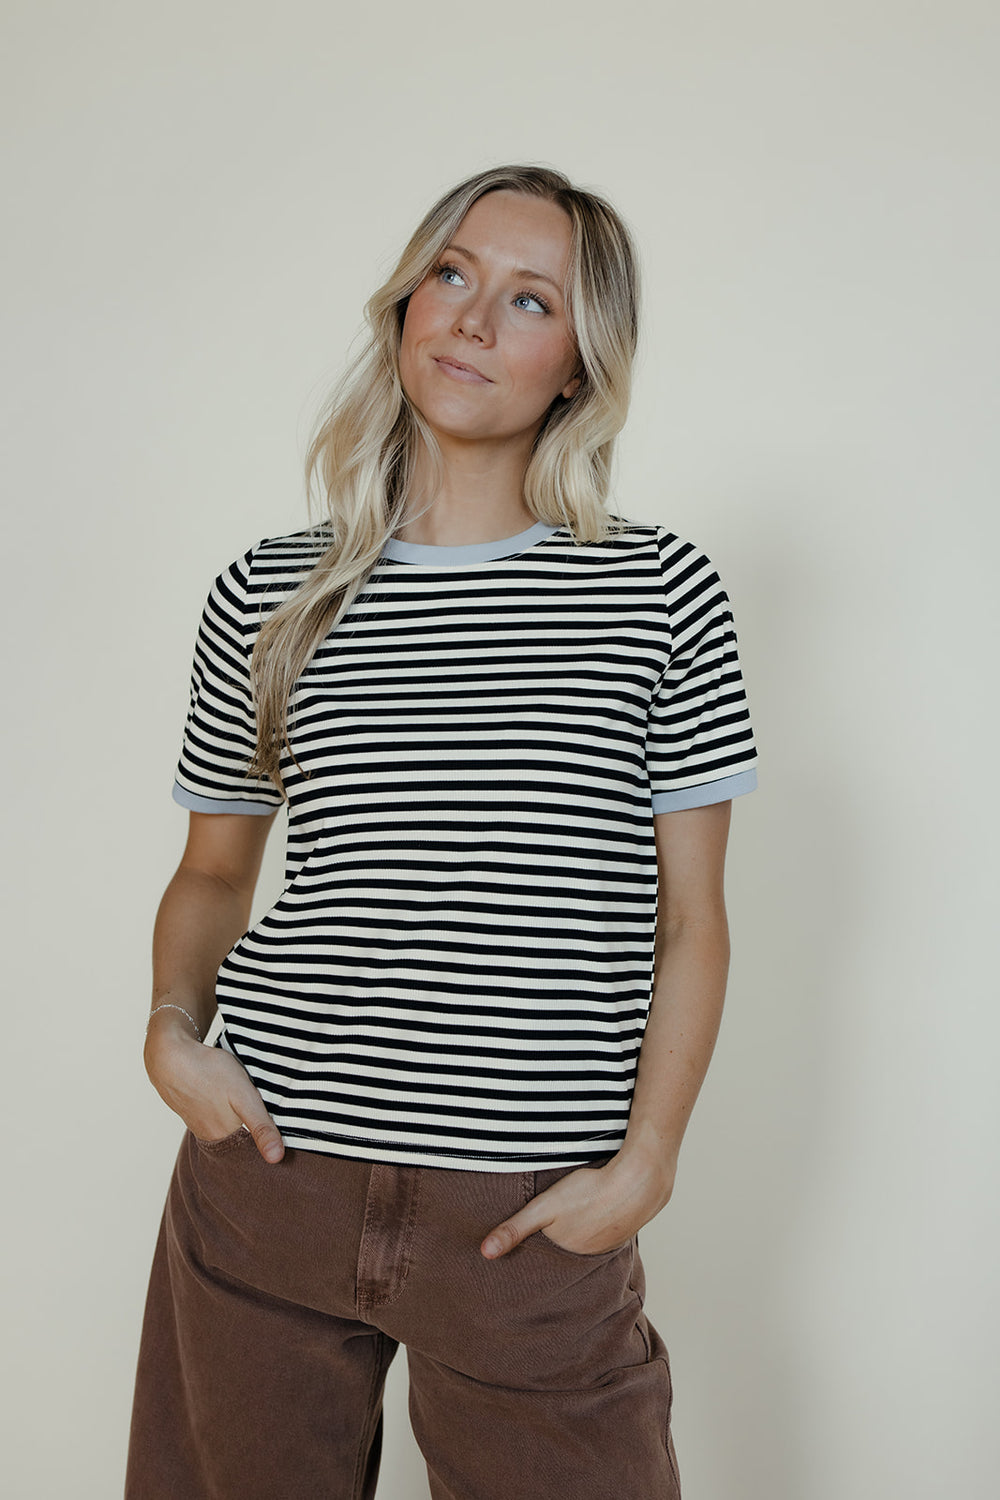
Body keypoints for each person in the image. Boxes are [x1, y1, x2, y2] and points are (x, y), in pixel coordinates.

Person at [126, 163, 758, 1500]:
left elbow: (693, 918)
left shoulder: (657, 593)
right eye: (454, 275)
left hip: (522, 1223)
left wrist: (645, 1165)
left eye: (528, 300)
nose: (472, 320)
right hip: (269, 1183)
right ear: (406, 302)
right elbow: (213, 872)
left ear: (579, 366)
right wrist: (173, 1031)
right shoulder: (271, 593)